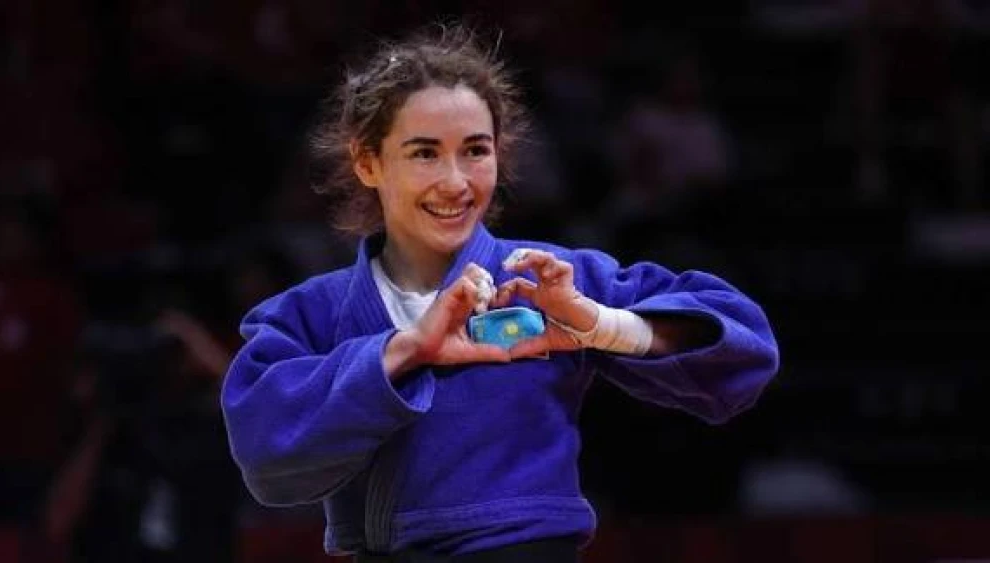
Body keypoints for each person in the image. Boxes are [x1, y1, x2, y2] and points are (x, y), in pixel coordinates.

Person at [220, 22, 780, 562]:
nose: (455, 182)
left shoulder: (548, 279)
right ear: (367, 162)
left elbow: (747, 348)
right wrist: (407, 349)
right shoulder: (313, 311)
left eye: (475, 150)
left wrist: (599, 323)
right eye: (424, 153)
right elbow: (262, 449)